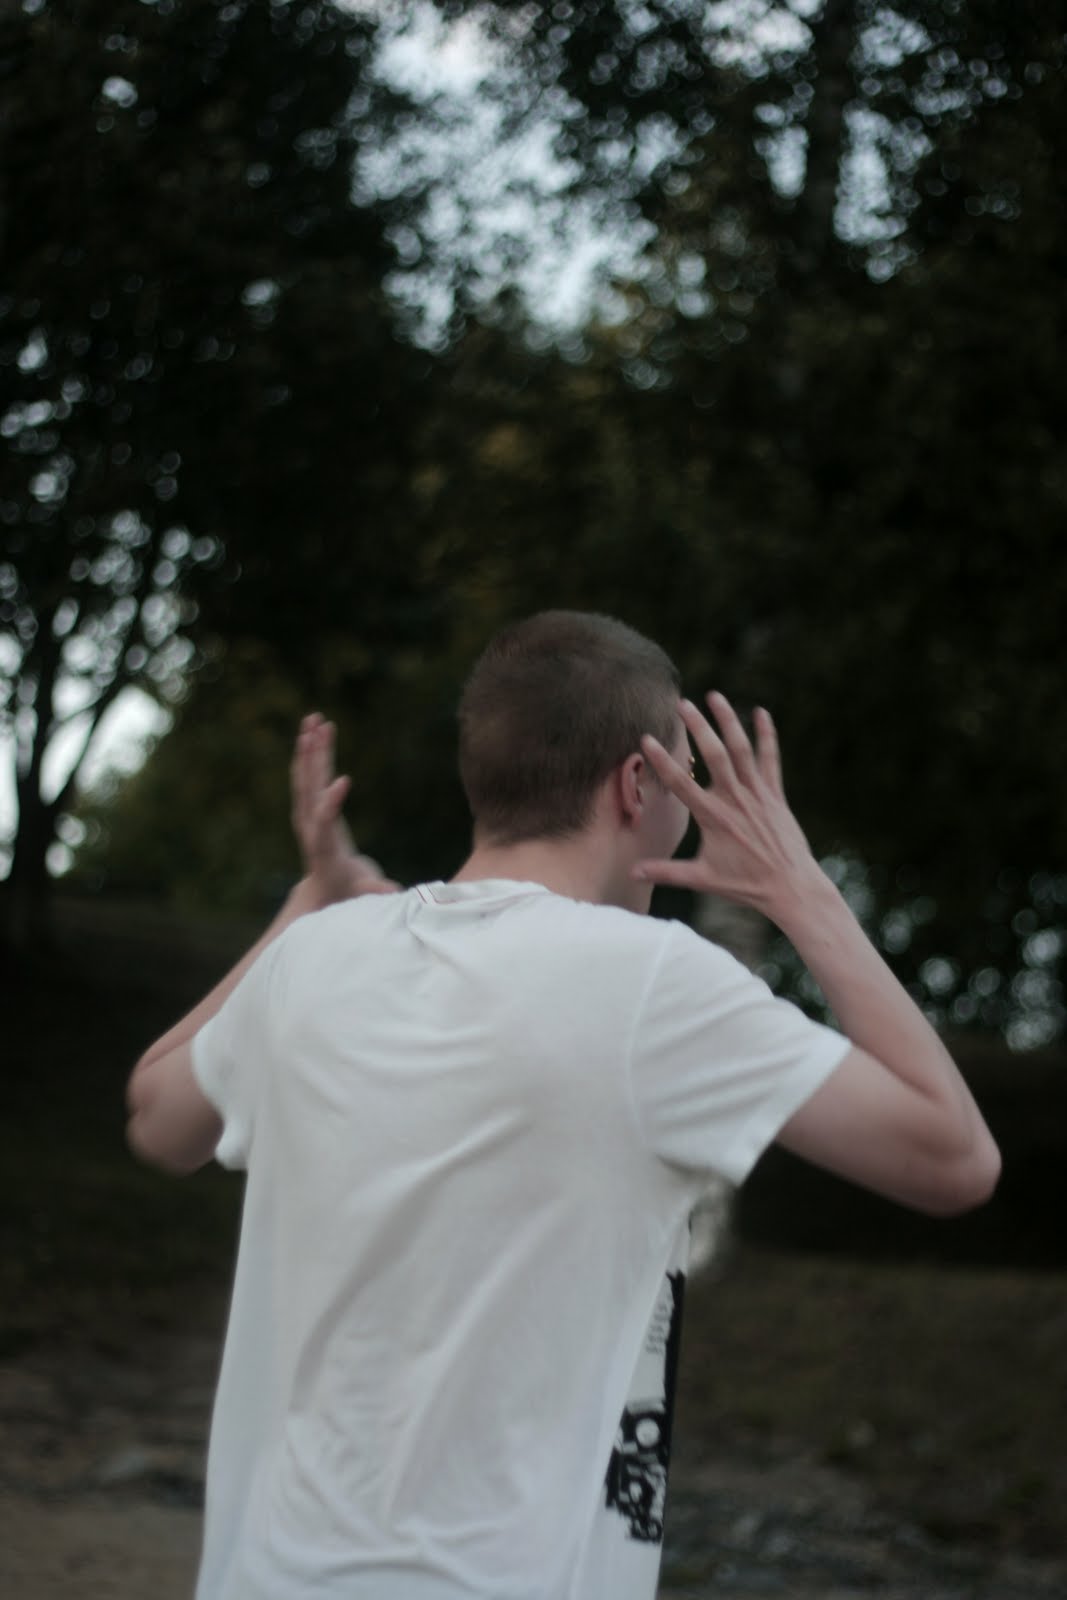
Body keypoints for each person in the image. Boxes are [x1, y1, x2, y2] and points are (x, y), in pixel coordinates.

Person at [126, 610, 1000, 1600]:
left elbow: (157, 1115)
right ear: (636, 786)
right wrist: (801, 891)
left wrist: (308, 902)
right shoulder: (652, 984)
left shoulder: (313, 959)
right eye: (682, 779)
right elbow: (951, 1157)